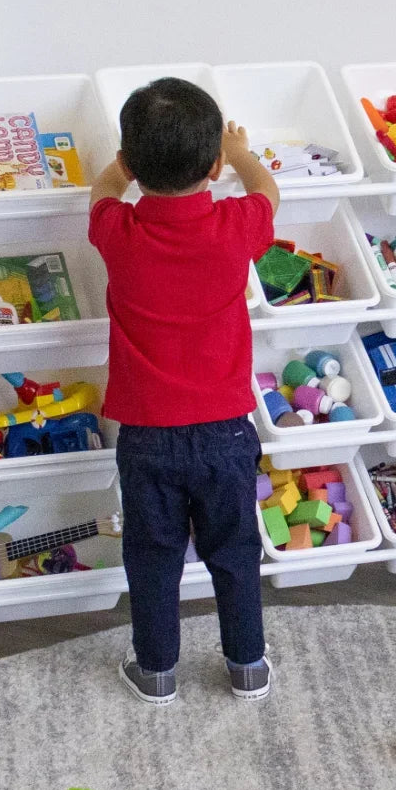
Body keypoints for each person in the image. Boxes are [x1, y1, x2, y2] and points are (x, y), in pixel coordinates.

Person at [88, 77, 279, 705]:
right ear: (215, 166)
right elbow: (268, 190)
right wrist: (243, 151)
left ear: (130, 163)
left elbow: (102, 192)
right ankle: (248, 665)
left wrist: (120, 170)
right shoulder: (234, 225)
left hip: (146, 436)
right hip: (226, 431)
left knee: (153, 555)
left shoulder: (119, 232)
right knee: (235, 550)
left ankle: (157, 671)